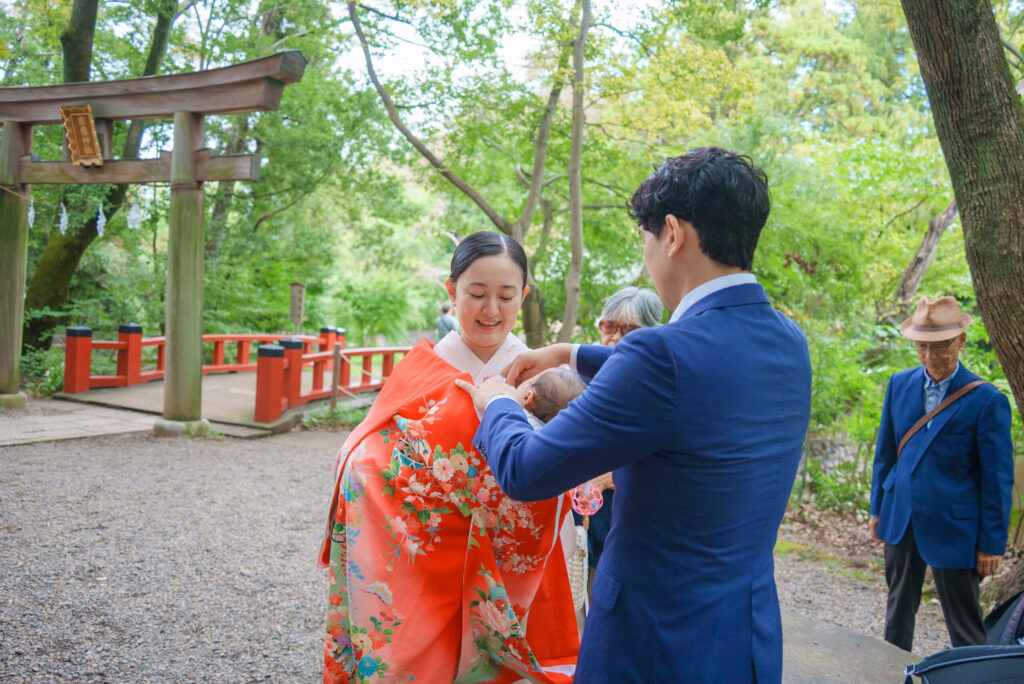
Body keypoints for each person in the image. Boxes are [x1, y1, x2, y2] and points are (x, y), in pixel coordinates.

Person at [457, 147, 812, 683]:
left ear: (672, 234)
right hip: (746, 633)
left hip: (654, 642)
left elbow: (528, 471)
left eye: (646, 240)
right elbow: (698, 380)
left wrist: (498, 403)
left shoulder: (661, 356)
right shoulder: (788, 340)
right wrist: (571, 352)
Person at [319, 231, 579, 683]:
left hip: (513, 564)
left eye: (506, 295)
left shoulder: (546, 375)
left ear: (525, 294)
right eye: (476, 294)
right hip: (420, 561)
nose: (491, 310)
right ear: (451, 290)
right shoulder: (423, 367)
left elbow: (566, 461)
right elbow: (363, 459)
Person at [869, 295, 1013, 652]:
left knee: (965, 627)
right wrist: (876, 508)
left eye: (940, 347)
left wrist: (991, 543)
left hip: (956, 530)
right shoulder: (899, 384)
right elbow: (885, 454)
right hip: (900, 517)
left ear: (961, 341)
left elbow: (997, 479)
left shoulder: (987, 400)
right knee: (897, 613)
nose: (931, 357)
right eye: (922, 347)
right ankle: (893, 674)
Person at [584, 287, 663, 583]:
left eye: (630, 330)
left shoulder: (658, 387)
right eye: (609, 326)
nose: (616, 338)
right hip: (583, 512)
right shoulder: (580, 376)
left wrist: (609, 477)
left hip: (630, 514)